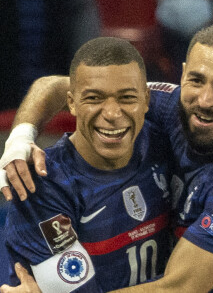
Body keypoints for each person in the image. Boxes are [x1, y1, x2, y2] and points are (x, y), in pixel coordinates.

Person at [0, 24, 213, 292]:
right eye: (196, 80)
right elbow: (51, 86)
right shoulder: (171, 111)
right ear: (182, 76)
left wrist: (205, 269)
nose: (206, 100)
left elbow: (176, 288)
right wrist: (19, 138)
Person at [1, 37, 174, 292]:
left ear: (146, 99)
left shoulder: (164, 141)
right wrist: (194, 276)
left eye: (126, 98)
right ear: (71, 102)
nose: (112, 114)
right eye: (94, 98)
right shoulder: (42, 186)